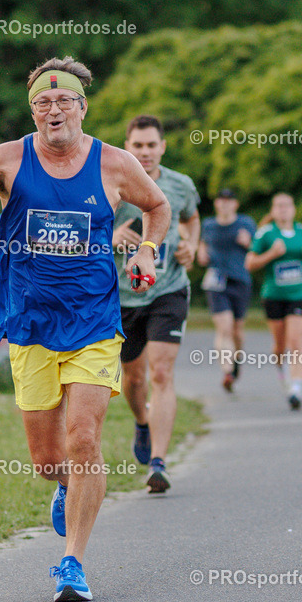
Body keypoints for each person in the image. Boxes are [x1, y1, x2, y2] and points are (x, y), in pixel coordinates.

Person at [0, 56, 170, 602]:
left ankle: (72, 563)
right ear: (32, 110)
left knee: (84, 439)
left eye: (62, 101)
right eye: (41, 102)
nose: (52, 109)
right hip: (32, 324)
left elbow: (157, 206)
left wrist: (148, 250)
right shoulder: (7, 158)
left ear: (82, 107)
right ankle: (63, 486)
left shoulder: (115, 162)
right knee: (47, 460)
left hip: (94, 321)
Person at [111, 114, 200, 493]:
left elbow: (192, 219)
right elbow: (85, 226)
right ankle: (142, 422)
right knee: (133, 378)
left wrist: (191, 245)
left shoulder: (180, 185)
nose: (145, 152)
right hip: (122, 295)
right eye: (138, 145)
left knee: (161, 373)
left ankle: (159, 464)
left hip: (168, 290)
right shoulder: (112, 182)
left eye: (151, 145)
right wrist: (111, 233)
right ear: (127, 147)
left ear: (162, 147)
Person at [245, 192, 302, 410]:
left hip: (300, 294)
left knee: (295, 341)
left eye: (287, 205)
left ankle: (296, 389)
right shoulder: (265, 233)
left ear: (294, 208)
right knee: (279, 346)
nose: (283, 209)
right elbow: (250, 263)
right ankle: (282, 371)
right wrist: (272, 254)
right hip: (274, 296)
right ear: (273, 210)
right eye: (279, 206)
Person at [197, 188, 256, 392]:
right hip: (216, 281)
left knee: (237, 330)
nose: (224, 204)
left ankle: (236, 360)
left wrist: (248, 243)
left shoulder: (245, 223)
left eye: (229, 201)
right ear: (216, 204)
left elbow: (257, 248)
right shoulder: (209, 225)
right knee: (224, 328)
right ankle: (227, 372)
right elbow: (202, 244)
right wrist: (201, 253)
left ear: (235, 204)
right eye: (221, 200)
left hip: (240, 280)